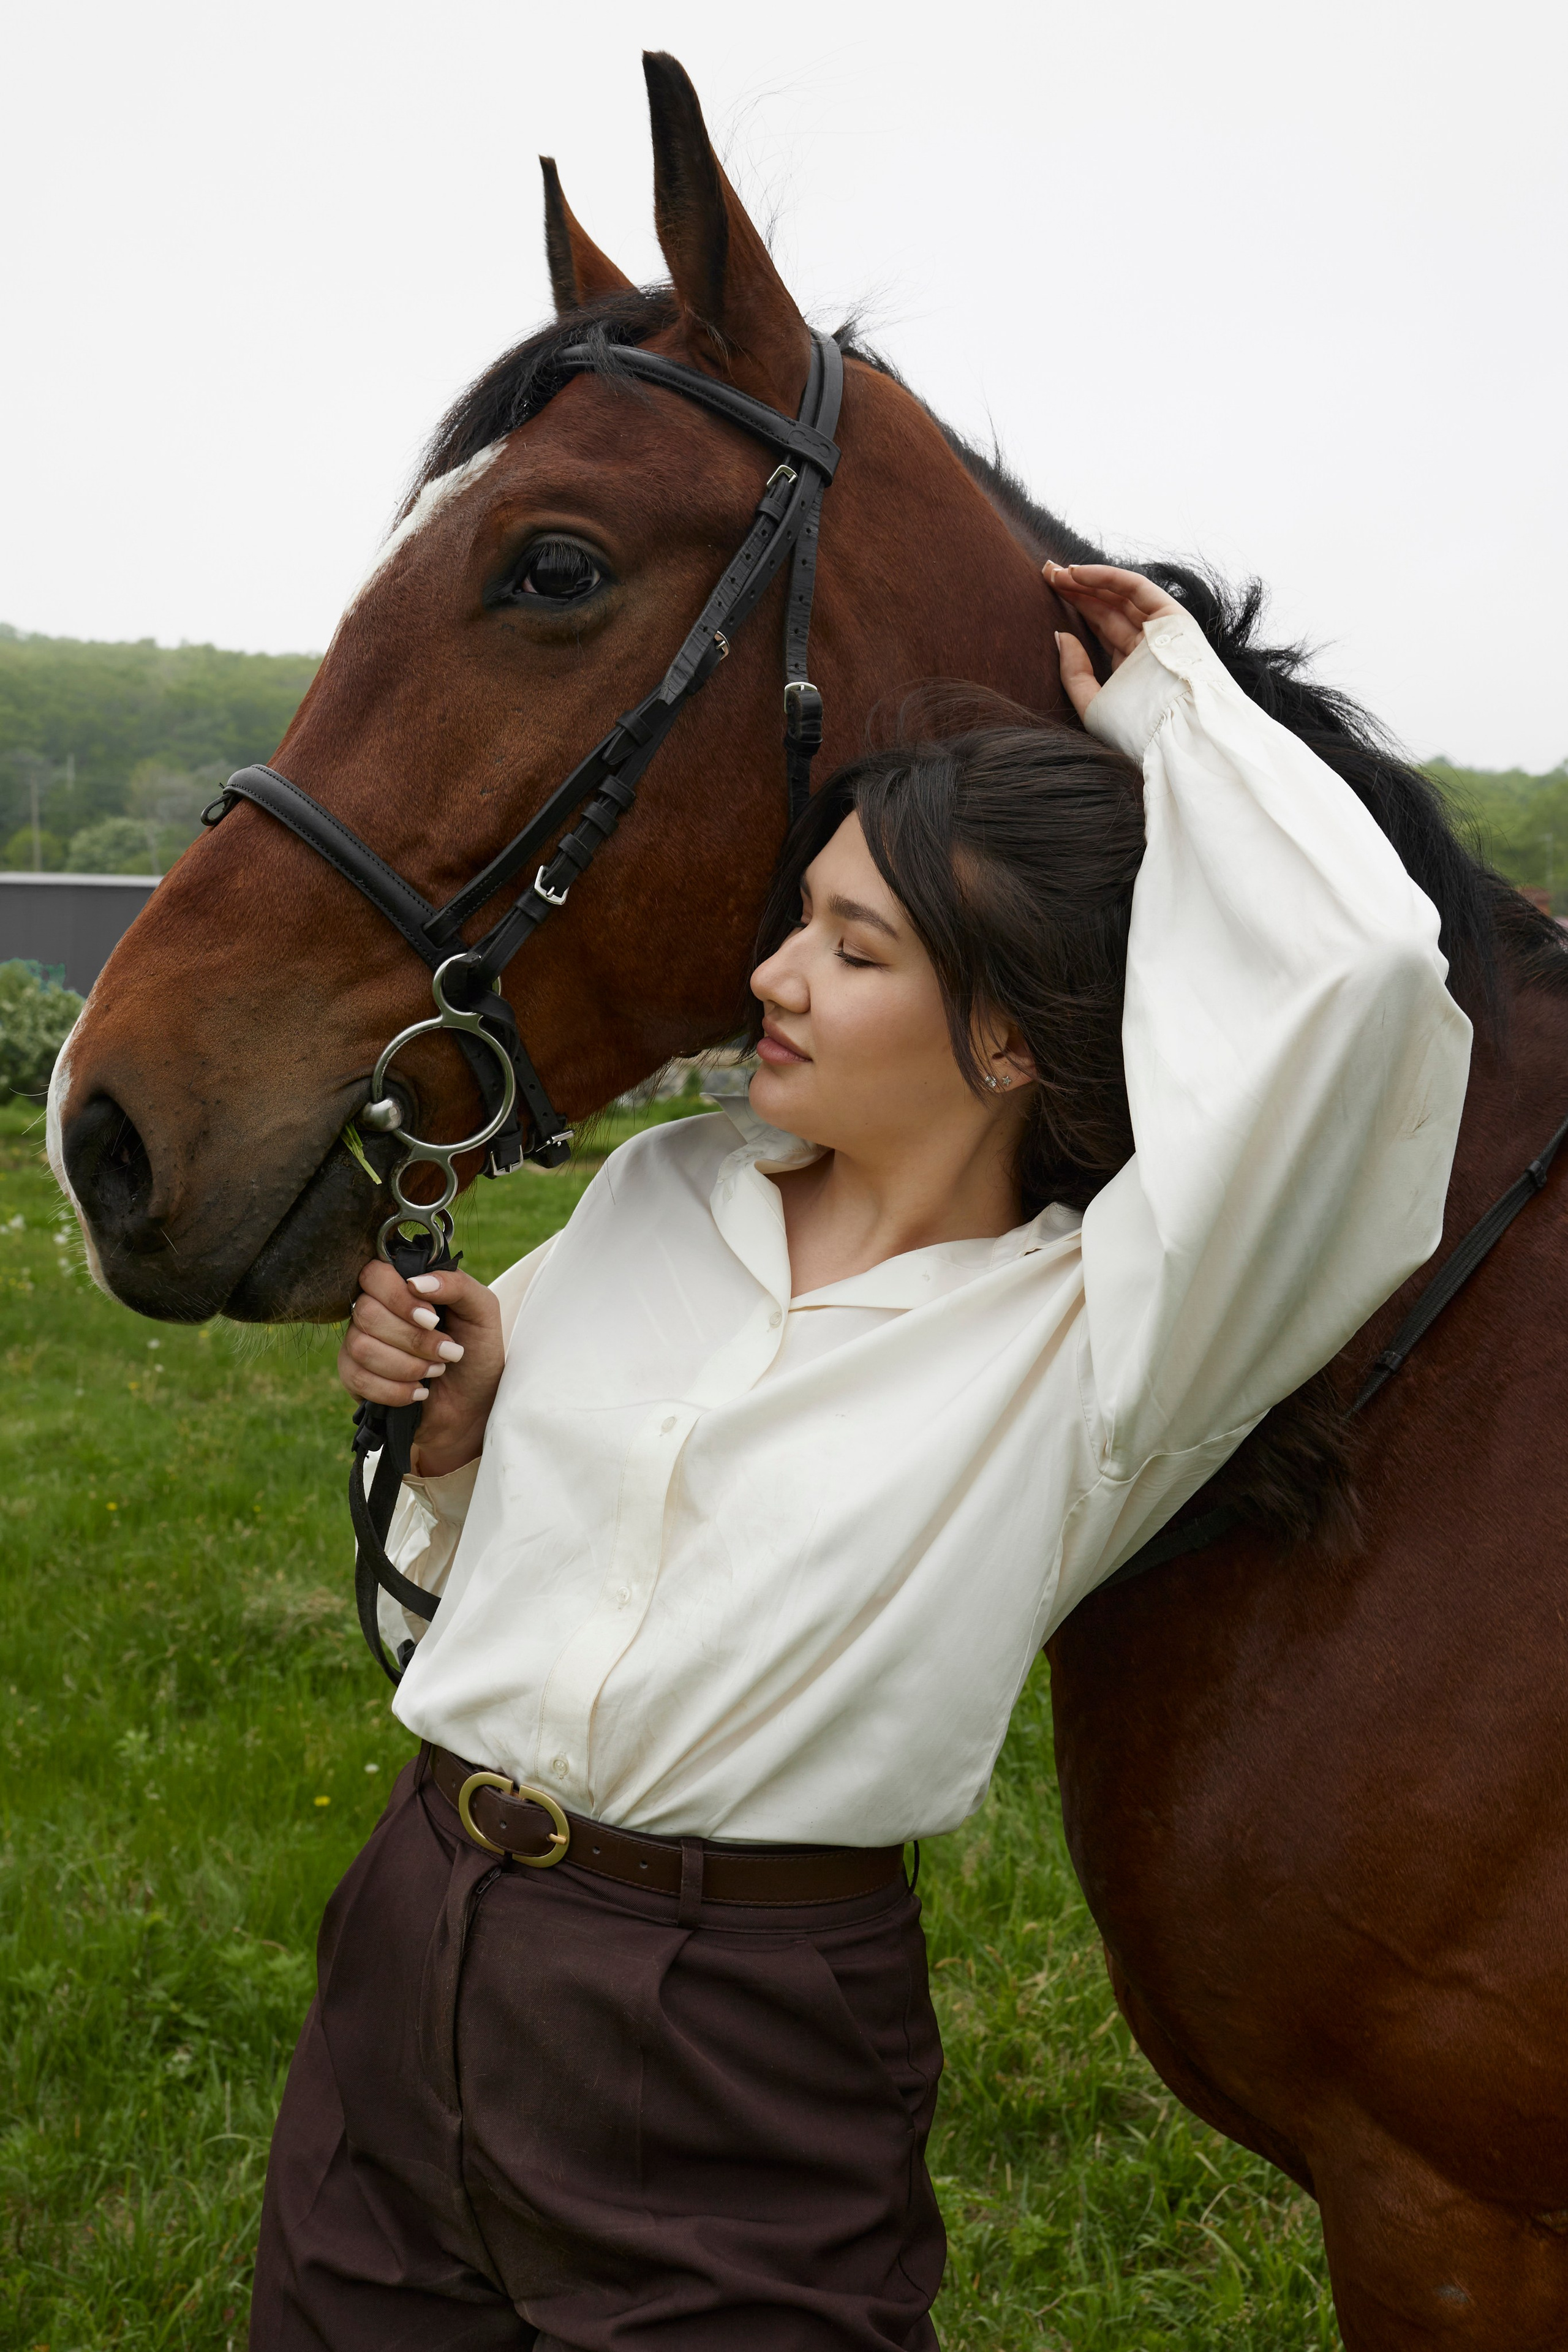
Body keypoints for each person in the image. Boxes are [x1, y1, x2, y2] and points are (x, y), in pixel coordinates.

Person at [251, 566, 1471, 2350]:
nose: (774, 975)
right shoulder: (658, 1197)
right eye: (800, 920)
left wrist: (1178, 713)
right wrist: (461, 1430)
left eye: (855, 947)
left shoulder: (1105, 1338)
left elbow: (1364, 981)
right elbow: (503, 1576)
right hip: (417, 1926)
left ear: (1005, 1033)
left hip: (729, 2030)